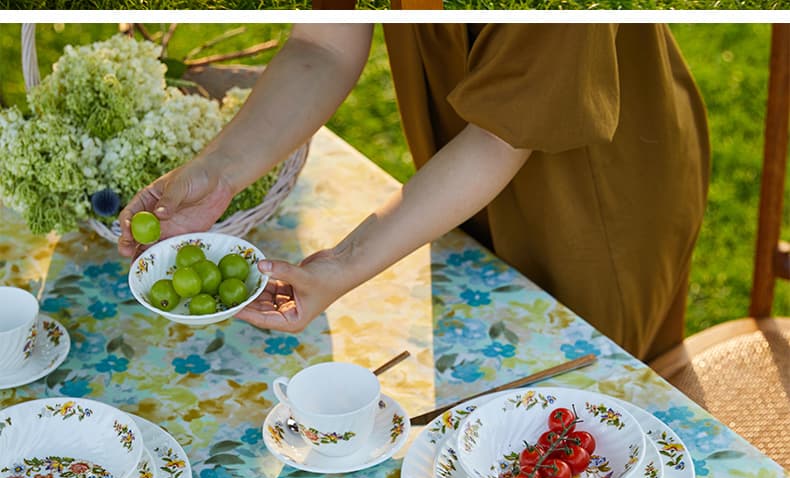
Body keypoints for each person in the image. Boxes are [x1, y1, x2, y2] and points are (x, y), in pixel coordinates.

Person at [118, 24, 710, 363]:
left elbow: (502, 136)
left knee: (582, 408)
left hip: (592, 189)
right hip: (459, 178)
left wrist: (341, 265)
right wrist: (219, 170)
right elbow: (324, 45)